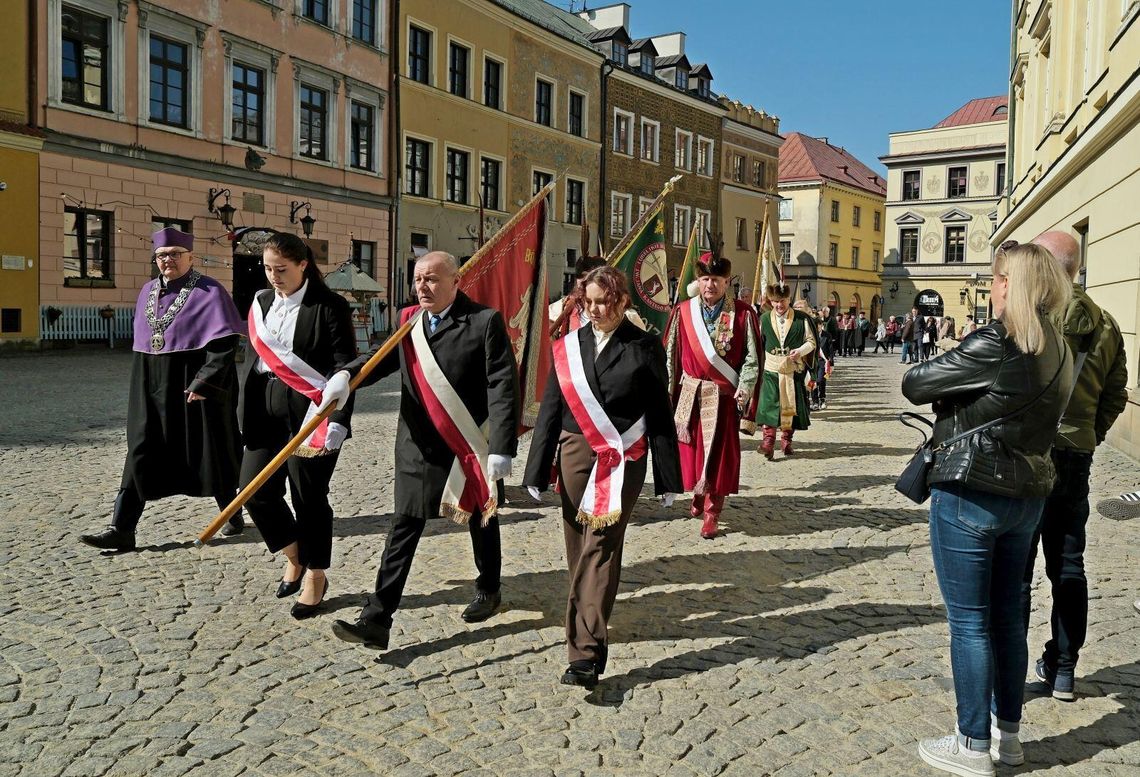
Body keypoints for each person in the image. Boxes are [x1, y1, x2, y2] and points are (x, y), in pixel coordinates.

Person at [902, 242, 1073, 776]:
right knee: (1006, 619)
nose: (994, 286)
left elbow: (915, 383)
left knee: (970, 623)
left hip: (972, 490)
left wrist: (954, 365)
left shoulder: (997, 339)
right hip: (1026, 497)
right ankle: (1009, 735)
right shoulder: (1060, 347)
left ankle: (972, 743)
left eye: (998, 277)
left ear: (1011, 284)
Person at [328, 251, 520, 650]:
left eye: (432, 279)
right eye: (418, 280)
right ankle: (377, 619)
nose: (423, 287)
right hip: (416, 443)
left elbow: (502, 386)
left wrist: (502, 446)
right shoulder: (408, 322)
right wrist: (348, 375)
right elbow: (378, 361)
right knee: (404, 525)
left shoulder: (484, 322)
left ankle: (488, 587)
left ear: (456, 281)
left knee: (480, 517)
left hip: (467, 443)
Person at [523, 266, 682, 687]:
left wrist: (668, 477)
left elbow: (660, 414)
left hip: (623, 457)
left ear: (622, 301)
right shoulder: (568, 346)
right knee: (580, 548)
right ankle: (590, 626)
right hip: (575, 454)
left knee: (602, 547)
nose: (595, 310)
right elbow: (551, 411)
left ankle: (585, 654)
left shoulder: (645, 346)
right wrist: (536, 469)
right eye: (588, 302)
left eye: (603, 302)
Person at [80, 228, 245, 551]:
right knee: (140, 449)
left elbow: (225, 345)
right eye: (161, 255)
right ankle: (122, 528)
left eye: (174, 254)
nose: (167, 260)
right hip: (150, 384)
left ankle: (232, 512)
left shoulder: (211, 291)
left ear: (190, 257)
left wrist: (204, 382)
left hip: (195, 387)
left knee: (211, 451)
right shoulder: (146, 291)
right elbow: (145, 343)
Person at [1021, 231, 1129, 701]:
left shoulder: (1032, 316)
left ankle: (1008, 669)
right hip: (1076, 454)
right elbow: (1116, 391)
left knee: (1017, 567)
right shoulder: (1106, 323)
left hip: (1028, 454)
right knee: (1068, 563)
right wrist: (1090, 434)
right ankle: (1064, 667)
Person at [237, 233, 357, 619]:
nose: (273, 276)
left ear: (303, 265)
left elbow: (345, 365)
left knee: (308, 496)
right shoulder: (261, 302)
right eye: (268, 268)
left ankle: (316, 574)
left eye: (281, 269)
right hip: (262, 408)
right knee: (254, 490)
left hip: (309, 412)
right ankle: (294, 552)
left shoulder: (330, 306)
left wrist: (338, 417)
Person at [663, 248, 760, 539]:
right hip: (690, 395)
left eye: (716, 279)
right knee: (692, 453)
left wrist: (744, 390)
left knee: (717, 457)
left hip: (722, 398)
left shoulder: (743, 313)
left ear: (727, 281)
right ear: (699, 281)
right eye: (705, 279)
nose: (710, 285)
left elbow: (752, 357)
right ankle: (697, 491)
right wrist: (667, 393)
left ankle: (712, 512)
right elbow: (671, 354)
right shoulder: (683, 312)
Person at [756, 281, 815, 459]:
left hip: (792, 369)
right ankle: (768, 441)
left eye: (783, 300)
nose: (779, 305)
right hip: (771, 369)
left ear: (789, 299)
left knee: (790, 407)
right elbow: (758, 344)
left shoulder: (801, 319)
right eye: (775, 301)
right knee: (769, 405)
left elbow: (811, 342)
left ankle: (787, 440)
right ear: (770, 302)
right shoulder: (764, 319)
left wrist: (801, 351)